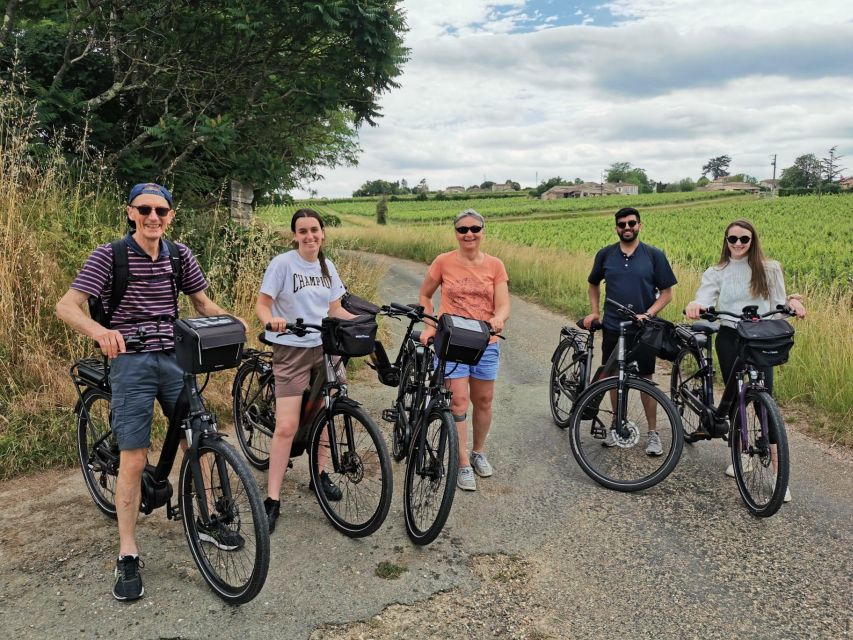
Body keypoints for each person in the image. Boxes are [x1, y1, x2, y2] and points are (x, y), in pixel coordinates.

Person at [56, 183, 246, 602]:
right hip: (132, 360)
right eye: (144, 209)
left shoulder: (180, 256)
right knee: (135, 454)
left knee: (194, 436)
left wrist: (235, 322)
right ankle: (127, 552)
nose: (153, 216)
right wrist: (100, 331)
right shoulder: (110, 255)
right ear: (131, 212)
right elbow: (67, 305)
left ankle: (209, 518)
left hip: (178, 356)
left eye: (161, 210)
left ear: (171, 215)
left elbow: (201, 304)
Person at [686, 219, 805, 500]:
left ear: (753, 241)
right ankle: (743, 455)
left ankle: (778, 475)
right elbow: (703, 297)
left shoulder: (769, 268)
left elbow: (777, 305)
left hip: (760, 337)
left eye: (744, 239)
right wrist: (696, 304)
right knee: (736, 394)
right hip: (730, 336)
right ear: (725, 241)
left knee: (766, 402)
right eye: (732, 239)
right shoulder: (717, 271)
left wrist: (793, 303)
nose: (738, 244)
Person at [255, 208, 357, 533]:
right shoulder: (283, 264)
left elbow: (335, 308)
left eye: (314, 230)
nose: (310, 236)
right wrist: (270, 319)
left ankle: (320, 473)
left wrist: (362, 324)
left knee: (328, 414)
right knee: (287, 426)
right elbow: (262, 303)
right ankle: (272, 498)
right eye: (303, 231)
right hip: (291, 348)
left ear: (322, 233)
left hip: (325, 346)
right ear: (295, 236)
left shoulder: (328, 266)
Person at [418, 209, 510, 491]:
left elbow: (504, 304)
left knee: (483, 401)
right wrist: (430, 324)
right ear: (455, 233)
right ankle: (462, 463)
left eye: (474, 228)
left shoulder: (495, 265)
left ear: (483, 231)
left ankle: (478, 452)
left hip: (485, 342)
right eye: (462, 230)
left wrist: (498, 318)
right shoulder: (443, 262)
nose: (469, 234)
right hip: (451, 341)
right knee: (458, 402)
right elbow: (425, 295)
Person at [583, 206, 678, 456]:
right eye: (622, 224)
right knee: (614, 377)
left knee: (646, 378)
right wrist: (595, 312)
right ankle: (617, 426)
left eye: (632, 223)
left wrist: (648, 314)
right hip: (614, 327)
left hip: (643, 329)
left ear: (640, 226)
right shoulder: (605, 255)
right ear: (616, 228)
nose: (627, 228)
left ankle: (653, 434)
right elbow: (593, 284)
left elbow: (667, 293)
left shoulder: (654, 255)